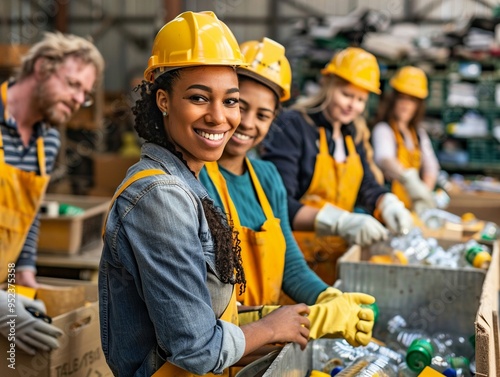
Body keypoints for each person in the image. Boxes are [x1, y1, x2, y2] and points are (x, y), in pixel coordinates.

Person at [99, 12, 312, 377]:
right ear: (164, 101)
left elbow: (198, 314)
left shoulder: (191, 184)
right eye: (199, 98)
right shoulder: (161, 196)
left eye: (231, 101)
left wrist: (268, 319)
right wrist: (271, 328)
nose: (221, 117)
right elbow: (195, 349)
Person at [199, 37, 375, 348]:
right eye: (239, 105)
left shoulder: (267, 179)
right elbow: (199, 309)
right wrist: (280, 320)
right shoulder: (195, 179)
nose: (248, 123)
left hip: (259, 348)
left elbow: (289, 264)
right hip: (218, 348)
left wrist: (328, 297)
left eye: (263, 115)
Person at [261, 47, 413, 285]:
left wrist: (389, 203)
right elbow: (278, 204)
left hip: (337, 260)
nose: (353, 105)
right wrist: (340, 222)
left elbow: (368, 187)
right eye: (346, 95)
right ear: (328, 84)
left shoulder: (353, 135)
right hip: (295, 264)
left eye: (361, 100)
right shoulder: (294, 126)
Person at [0, 32, 104, 355]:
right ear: (43, 67)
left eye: (85, 94)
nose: (78, 99)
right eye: (74, 85)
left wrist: (23, 278)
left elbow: (26, 220)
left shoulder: (49, 144)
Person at [371, 66, 439, 214]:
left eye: (412, 100)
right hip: (386, 209)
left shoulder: (419, 135)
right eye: (402, 98)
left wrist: (423, 193)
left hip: (410, 209)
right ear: (393, 99)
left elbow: (431, 167)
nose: (405, 105)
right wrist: (409, 179)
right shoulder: (383, 130)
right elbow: (384, 159)